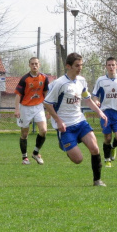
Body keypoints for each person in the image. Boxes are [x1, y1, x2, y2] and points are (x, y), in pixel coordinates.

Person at [43, 53, 108, 186]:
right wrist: (58, 120)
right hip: (65, 126)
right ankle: (64, 143)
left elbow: (87, 99)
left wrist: (99, 112)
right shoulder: (60, 83)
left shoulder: (81, 81)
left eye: (81, 65)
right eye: (77, 65)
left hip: (80, 121)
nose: (80, 68)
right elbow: (47, 103)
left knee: (95, 148)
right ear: (68, 66)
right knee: (78, 160)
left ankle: (97, 180)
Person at [92, 57, 117, 167]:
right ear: (106, 67)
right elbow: (94, 95)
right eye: (109, 65)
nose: (111, 67)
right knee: (107, 138)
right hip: (105, 113)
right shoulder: (101, 80)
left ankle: (113, 148)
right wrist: (96, 101)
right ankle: (107, 159)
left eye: (113, 65)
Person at [14, 57, 49, 165]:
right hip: (25, 107)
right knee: (24, 133)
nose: (34, 66)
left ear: (39, 65)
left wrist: (48, 109)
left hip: (38, 106)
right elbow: (18, 95)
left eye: (36, 64)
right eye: (32, 64)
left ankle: (35, 153)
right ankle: (25, 158)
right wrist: (17, 109)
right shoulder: (25, 79)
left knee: (43, 130)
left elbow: (46, 93)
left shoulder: (44, 77)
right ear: (29, 65)